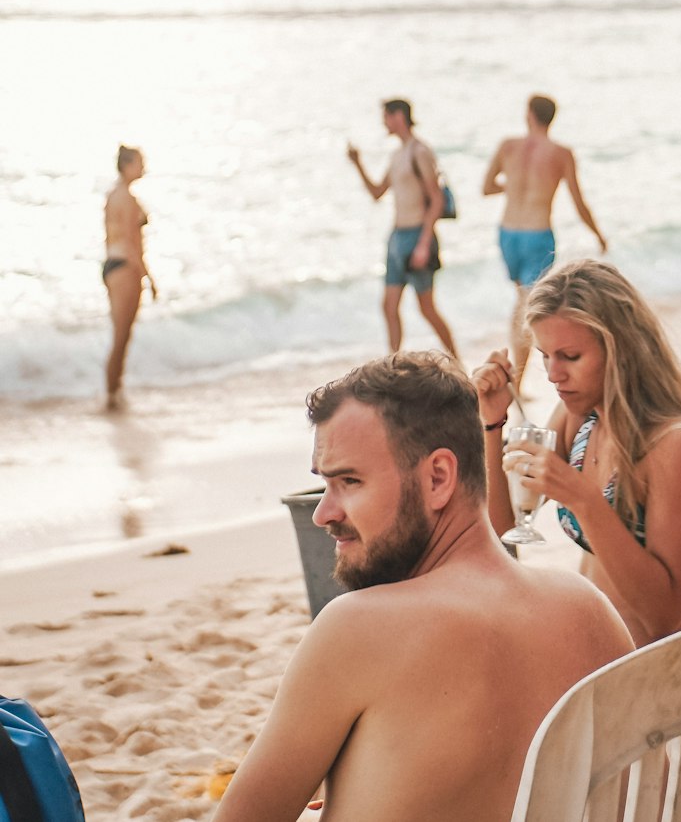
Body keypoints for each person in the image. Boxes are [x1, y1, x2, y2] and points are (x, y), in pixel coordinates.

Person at [215, 352, 631, 822]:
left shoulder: (357, 629)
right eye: (325, 486)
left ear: (438, 478)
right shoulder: (590, 612)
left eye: (350, 481)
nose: (323, 513)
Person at [475, 257, 681, 648]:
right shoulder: (578, 420)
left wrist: (583, 498)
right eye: (546, 356)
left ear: (622, 349)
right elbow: (502, 538)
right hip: (597, 658)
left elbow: (664, 617)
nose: (553, 375)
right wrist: (492, 424)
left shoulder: (679, 446)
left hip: (661, 670)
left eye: (570, 356)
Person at [482, 93, 607, 375]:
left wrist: (513, 185)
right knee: (527, 305)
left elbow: (487, 187)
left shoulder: (507, 146)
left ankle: (517, 378)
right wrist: (598, 234)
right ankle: (517, 381)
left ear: (529, 115)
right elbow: (578, 201)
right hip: (537, 234)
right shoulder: (561, 153)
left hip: (507, 233)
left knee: (522, 300)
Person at [347, 99, 458, 359]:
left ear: (399, 116)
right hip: (397, 237)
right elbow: (377, 192)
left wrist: (423, 242)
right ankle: (392, 364)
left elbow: (436, 199)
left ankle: (457, 360)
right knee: (389, 305)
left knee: (426, 308)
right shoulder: (397, 155)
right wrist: (357, 163)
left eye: (386, 116)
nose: (383, 122)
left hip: (417, 235)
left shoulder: (419, 151)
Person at [102, 144, 157, 409]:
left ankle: (115, 390)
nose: (143, 167)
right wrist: (147, 276)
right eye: (139, 162)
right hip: (125, 267)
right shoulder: (126, 198)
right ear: (127, 165)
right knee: (122, 336)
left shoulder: (113, 195)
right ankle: (113, 394)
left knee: (120, 335)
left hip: (112, 265)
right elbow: (132, 242)